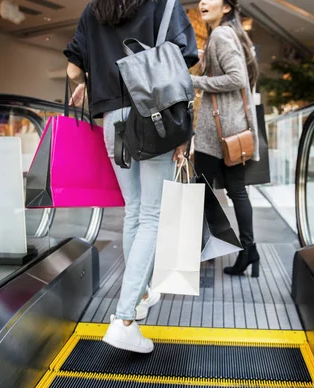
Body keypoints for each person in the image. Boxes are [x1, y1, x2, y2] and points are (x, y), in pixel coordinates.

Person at [64, 0, 198, 353]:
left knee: (135, 211)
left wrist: (96, 73)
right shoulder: (163, 4)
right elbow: (181, 62)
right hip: (154, 114)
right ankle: (125, 320)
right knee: (152, 214)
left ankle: (137, 299)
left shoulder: (94, 9)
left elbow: (73, 72)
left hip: (112, 120)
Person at [191, 0, 261, 277]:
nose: (203, 2)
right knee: (236, 191)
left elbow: (236, 79)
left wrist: (195, 82)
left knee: (201, 189)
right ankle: (248, 250)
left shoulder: (221, 35)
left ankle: (210, 245)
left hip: (217, 131)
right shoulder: (228, 34)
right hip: (235, 129)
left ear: (228, 7)